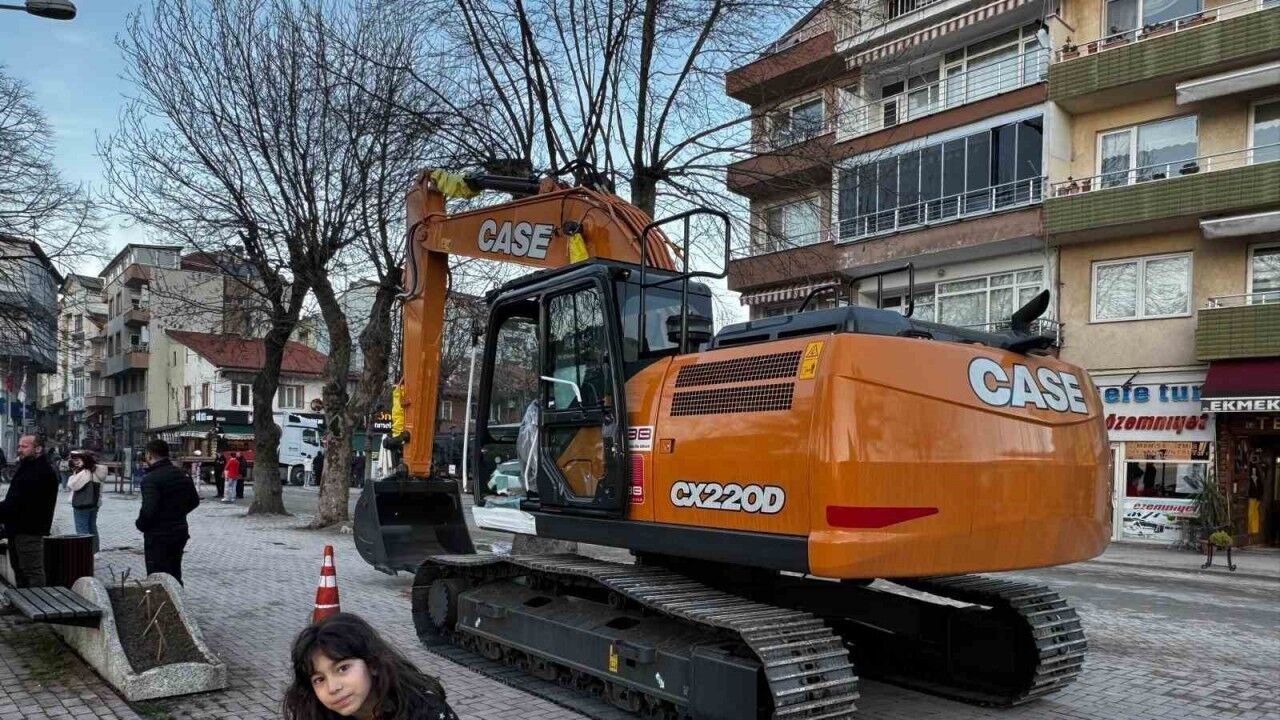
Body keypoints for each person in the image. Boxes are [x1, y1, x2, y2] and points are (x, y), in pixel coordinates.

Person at [283, 613, 458, 720]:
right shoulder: (317, 714)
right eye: (319, 679)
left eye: (343, 668)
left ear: (372, 664)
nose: (333, 688)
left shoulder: (425, 711)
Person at [135, 439, 200, 584]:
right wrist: (177, 513)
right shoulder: (182, 474)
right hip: (179, 531)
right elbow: (194, 501)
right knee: (175, 572)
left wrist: (141, 524)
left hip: (158, 535)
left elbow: (149, 509)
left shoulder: (151, 479)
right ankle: (177, 595)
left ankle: (164, 598)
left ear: (149, 455)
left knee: (157, 576)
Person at [0, 435, 60, 587]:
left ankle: (36, 600)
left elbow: (19, 502)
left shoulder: (41, 471)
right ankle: (24, 598)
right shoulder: (28, 467)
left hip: (29, 530)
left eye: (24, 446)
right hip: (17, 528)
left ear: (38, 449)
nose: (19, 450)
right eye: (19, 446)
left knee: (31, 571)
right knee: (20, 570)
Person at [68, 450, 107, 553]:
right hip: (95, 503)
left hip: (82, 504)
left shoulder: (85, 472)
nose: (76, 462)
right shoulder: (98, 470)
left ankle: (84, 553)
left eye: (78, 460)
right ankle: (95, 551)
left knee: (82, 529)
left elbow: (73, 485)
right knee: (92, 527)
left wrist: (74, 474)